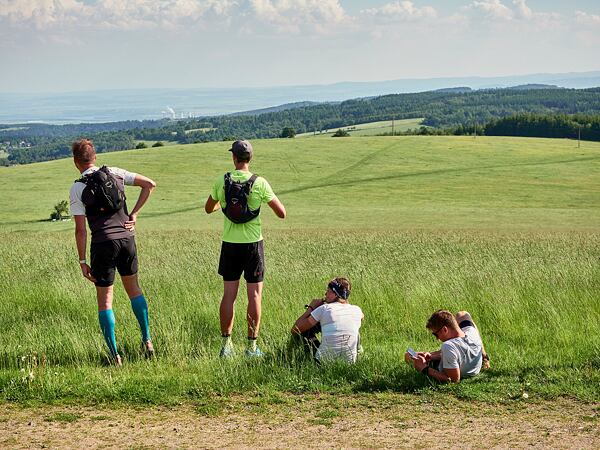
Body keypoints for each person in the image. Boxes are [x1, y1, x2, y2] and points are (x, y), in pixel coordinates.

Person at [69, 139, 156, 366]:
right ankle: (147, 340)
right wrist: (134, 214)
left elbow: (80, 230)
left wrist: (82, 260)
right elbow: (150, 184)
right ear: (95, 157)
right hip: (127, 240)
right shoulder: (115, 173)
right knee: (134, 291)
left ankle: (115, 355)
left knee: (105, 302)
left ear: (75, 162)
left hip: (102, 245)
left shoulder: (78, 187)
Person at [204, 140, 286, 358]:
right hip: (253, 244)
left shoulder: (221, 181)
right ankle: (251, 348)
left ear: (234, 158)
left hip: (229, 243)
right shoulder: (260, 183)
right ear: (250, 158)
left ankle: (226, 346)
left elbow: (208, 208)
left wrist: (224, 205)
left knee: (228, 296)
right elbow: (281, 213)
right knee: (255, 296)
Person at [291, 277, 364, 364]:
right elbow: (361, 317)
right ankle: (358, 353)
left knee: (304, 331)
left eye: (329, 291)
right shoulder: (357, 310)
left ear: (335, 294)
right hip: (349, 363)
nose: (325, 294)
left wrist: (311, 308)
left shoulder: (324, 309)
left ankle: (311, 355)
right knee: (353, 328)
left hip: (323, 363)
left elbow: (295, 329)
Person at [405, 310, 490, 383]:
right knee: (462, 314)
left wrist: (424, 369)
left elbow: (454, 380)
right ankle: (485, 358)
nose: (437, 339)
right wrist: (432, 356)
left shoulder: (448, 346)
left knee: (408, 356)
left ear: (445, 329)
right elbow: (464, 314)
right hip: (472, 363)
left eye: (436, 334)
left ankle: (426, 360)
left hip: (449, 366)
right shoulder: (472, 332)